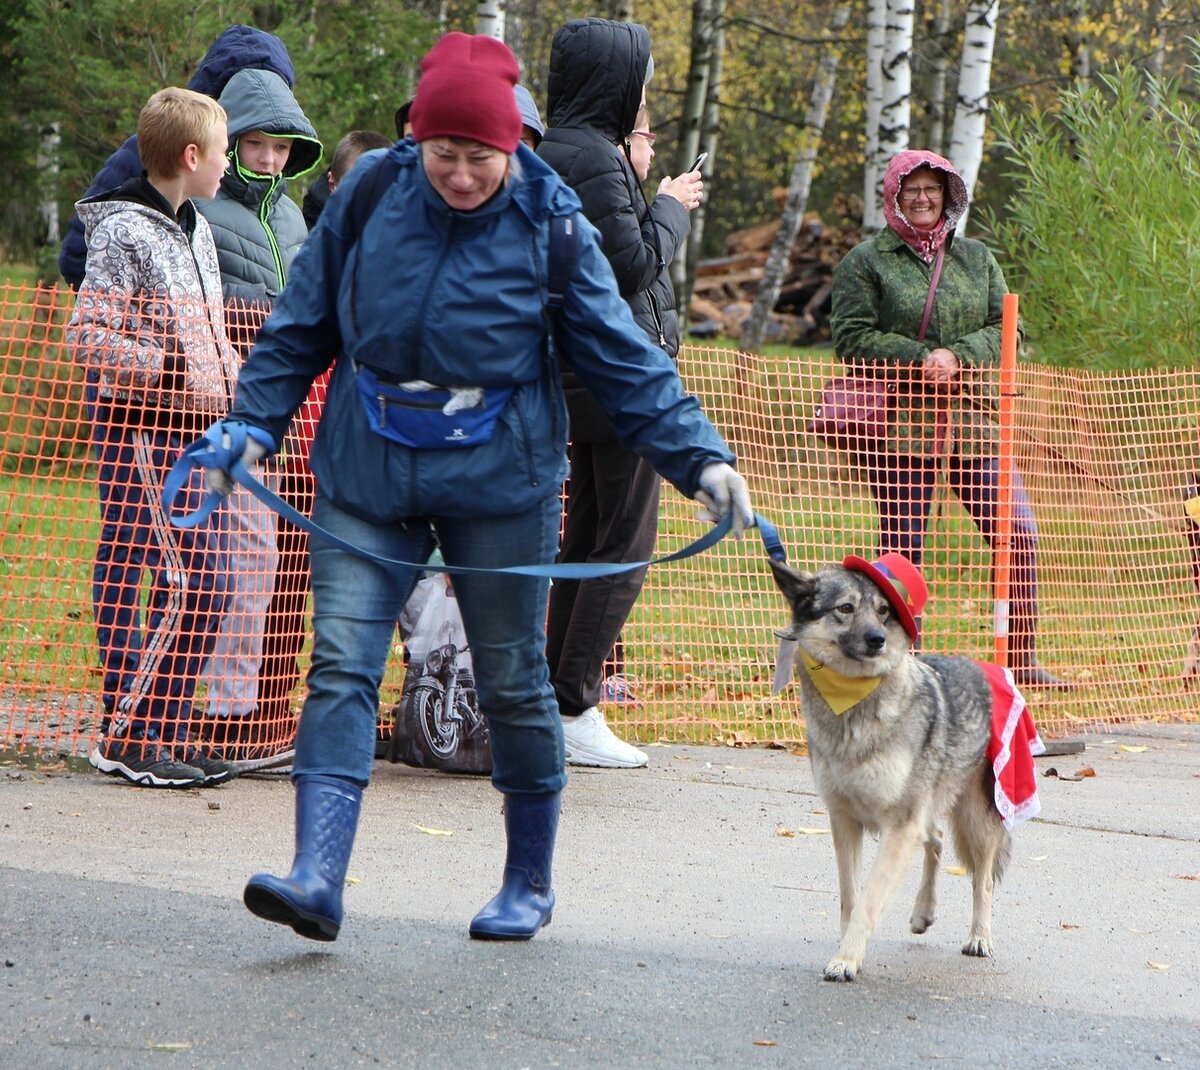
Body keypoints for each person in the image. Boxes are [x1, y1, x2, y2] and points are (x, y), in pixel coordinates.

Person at [192, 32, 752, 943]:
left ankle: (527, 882)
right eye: (444, 154)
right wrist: (254, 424)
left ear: (514, 147)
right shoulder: (371, 192)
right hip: (368, 474)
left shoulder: (553, 217)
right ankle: (317, 875)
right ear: (416, 139)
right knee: (339, 666)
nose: (460, 174)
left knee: (512, 679)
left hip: (501, 484)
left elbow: (621, 357)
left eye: (481, 157)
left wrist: (701, 458)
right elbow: (302, 322)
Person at [829, 148, 1070, 690]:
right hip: (901, 429)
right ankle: (897, 662)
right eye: (910, 188)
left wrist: (957, 355)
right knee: (902, 551)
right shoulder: (867, 261)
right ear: (893, 195)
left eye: (931, 189)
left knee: (1020, 535)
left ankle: (1023, 658)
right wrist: (920, 359)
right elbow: (850, 337)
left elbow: (1009, 329)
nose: (921, 197)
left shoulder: (977, 259)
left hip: (973, 426)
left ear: (948, 196)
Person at [538, 18, 705, 768]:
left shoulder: (566, 151)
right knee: (624, 543)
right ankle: (575, 702)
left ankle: (557, 696)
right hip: (617, 382)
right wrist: (669, 204)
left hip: (586, 379)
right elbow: (631, 267)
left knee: (588, 536)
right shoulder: (595, 158)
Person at [67, 87, 242, 787]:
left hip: (198, 433)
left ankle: (167, 725)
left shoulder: (197, 227)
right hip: (143, 431)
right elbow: (87, 337)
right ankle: (130, 733)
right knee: (186, 579)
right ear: (191, 155)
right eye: (225, 152)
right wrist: (166, 368)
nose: (228, 166)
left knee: (214, 582)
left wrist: (231, 390)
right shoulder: (122, 232)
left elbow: (213, 331)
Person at [192, 68, 322, 771]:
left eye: (282, 146)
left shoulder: (293, 216)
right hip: (212, 410)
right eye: (257, 144)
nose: (270, 159)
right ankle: (215, 714)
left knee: (273, 571)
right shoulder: (201, 211)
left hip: (282, 411)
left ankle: (252, 713)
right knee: (230, 564)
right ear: (229, 140)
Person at [255, 127, 392, 761]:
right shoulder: (316, 253)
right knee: (284, 579)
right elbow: (291, 347)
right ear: (335, 184)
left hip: (366, 455)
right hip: (300, 447)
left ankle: (331, 721)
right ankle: (265, 702)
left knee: (353, 598)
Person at [58, 25, 295, 291]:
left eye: (281, 147)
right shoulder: (157, 144)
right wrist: (144, 320)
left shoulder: (282, 208)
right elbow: (80, 255)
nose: (268, 158)